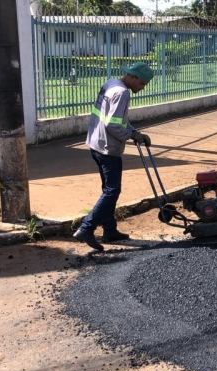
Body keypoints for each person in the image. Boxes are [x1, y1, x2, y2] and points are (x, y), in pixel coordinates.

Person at [73, 62, 154, 251]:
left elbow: (119, 119)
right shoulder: (122, 93)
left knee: (108, 190)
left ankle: (109, 230)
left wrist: (135, 131)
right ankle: (86, 228)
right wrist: (132, 135)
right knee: (112, 190)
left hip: (96, 143)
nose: (142, 89)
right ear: (133, 77)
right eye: (141, 84)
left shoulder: (111, 84)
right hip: (108, 147)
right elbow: (113, 124)